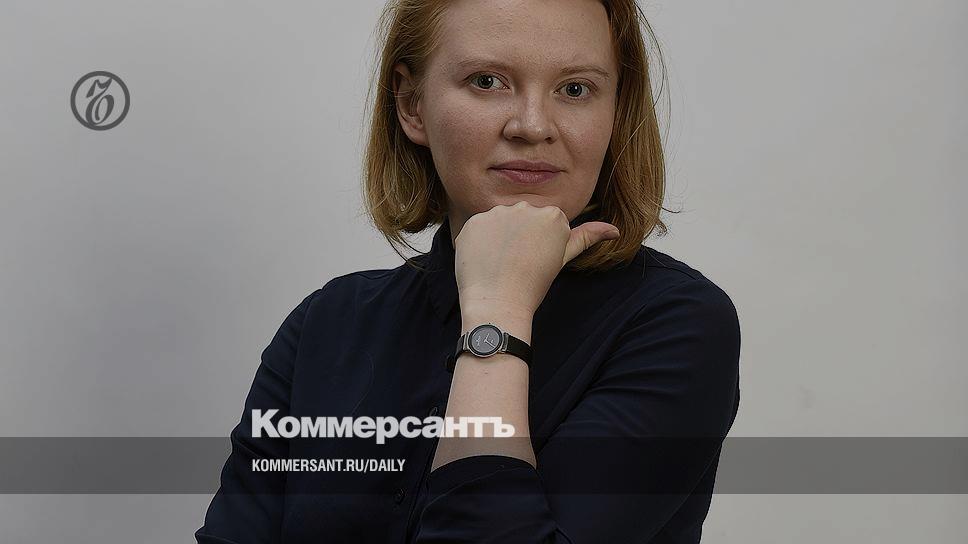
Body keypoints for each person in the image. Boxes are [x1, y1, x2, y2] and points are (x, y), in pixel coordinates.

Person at [195, 0, 741, 542]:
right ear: (411, 105)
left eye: (575, 89)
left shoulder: (678, 325)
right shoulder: (326, 324)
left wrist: (497, 312)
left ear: (616, 111)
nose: (532, 126)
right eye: (487, 81)